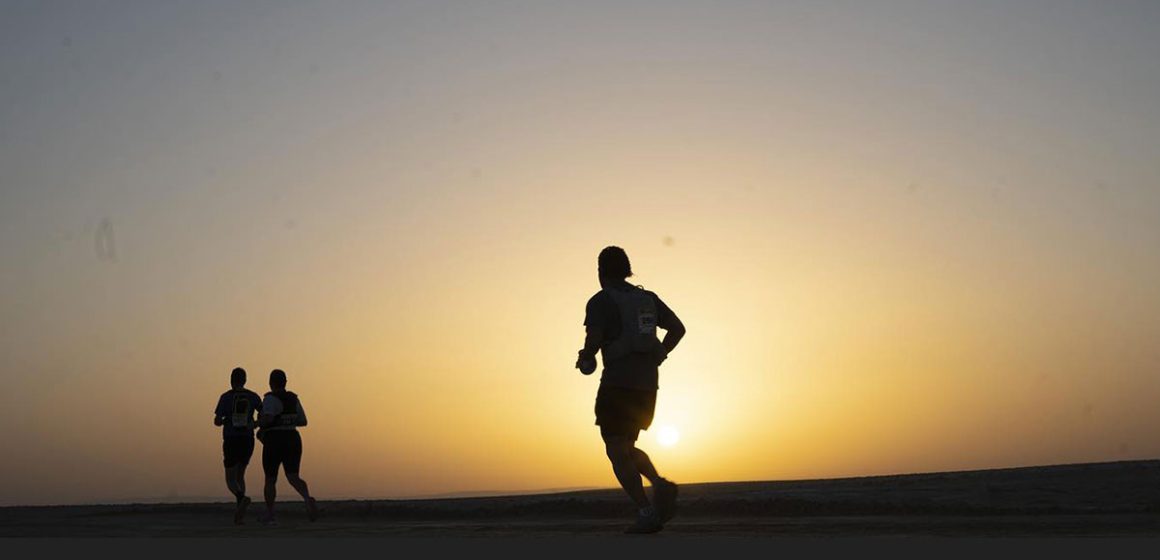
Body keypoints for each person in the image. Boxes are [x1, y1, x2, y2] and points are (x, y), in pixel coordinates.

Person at [576, 246, 686, 534]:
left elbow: (595, 338)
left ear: (601, 272)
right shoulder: (647, 299)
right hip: (647, 384)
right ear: (627, 270)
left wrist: (585, 357)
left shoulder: (600, 302)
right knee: (626, 446)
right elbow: (677, 328)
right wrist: (660, 352)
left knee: (615, 448)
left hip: (618, 383)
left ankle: (647, 512)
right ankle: (660, 485)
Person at [256, 368, 319, 525]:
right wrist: (287, 420)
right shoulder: (293, 399)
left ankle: (270, 514)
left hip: (275, 440)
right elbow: (303, 421)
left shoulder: (270, 399)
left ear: (271, 383)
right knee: (293, 476)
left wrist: (258, 423)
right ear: (285, 382)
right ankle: (306, 498)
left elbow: (269, 419)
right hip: (293, 438)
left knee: (270, 479)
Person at [213, 367, 263, 525]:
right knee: (240, 475)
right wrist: (255, 423)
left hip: (231, 439)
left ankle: (242, 499)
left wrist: (223, 421)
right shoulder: (253, 397)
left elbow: (217, 421)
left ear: (231, 380)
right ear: (245, 380)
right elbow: (264, 415)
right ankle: (240, 514)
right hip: (248, 440)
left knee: (230, 479)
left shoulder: (225, 397)